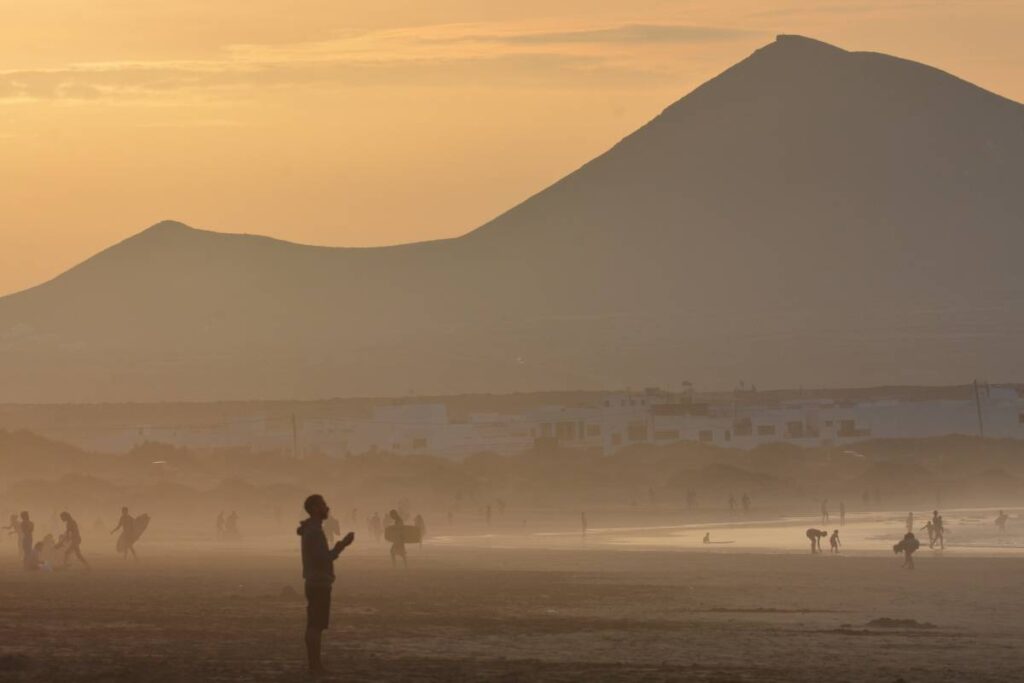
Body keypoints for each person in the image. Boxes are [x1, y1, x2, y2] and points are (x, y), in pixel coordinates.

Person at [297, 494, 354, 678]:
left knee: (313, 625)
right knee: (316, 625)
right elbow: (324, 558)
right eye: (323, 505)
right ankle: (315, 666)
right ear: (315, 508)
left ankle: (314, 664)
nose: (327, 508)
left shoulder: (310, 529)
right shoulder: (314, 531)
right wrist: (342, 545)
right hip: (318, 583)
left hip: (314, 581)